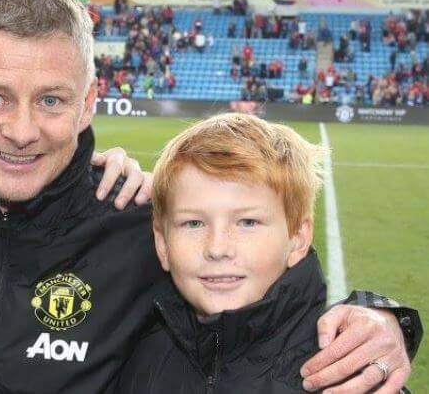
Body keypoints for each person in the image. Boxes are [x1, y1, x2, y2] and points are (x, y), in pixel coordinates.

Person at [0, 0, 422, 394]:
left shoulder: (139, 228)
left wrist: (378, 317)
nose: (22, 130)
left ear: (88, 104)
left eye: (51, 100)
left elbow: (263, 301)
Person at [117, 114, 421, 393]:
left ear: (298, 238)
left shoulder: (345, 371)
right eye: (193, 223)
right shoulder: (134, 349)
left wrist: (387, 317)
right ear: (162, 243)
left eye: (248, 222)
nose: (218, 248)